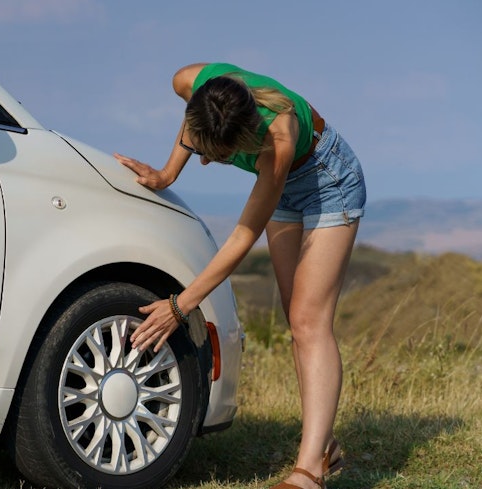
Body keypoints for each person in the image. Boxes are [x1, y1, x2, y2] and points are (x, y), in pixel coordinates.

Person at [115, 62, 365, 489]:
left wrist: (181, 304)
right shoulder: (190, 81)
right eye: (203, 149)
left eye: (222, 156)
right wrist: (169, 171)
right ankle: (323, 446)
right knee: (296, 319)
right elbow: (192, 114)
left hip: (327, 180)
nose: (208, 162)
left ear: (247, 139)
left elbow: (242, 237)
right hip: (285, 187)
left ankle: (309, 471)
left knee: (309, 322)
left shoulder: (279, 140)